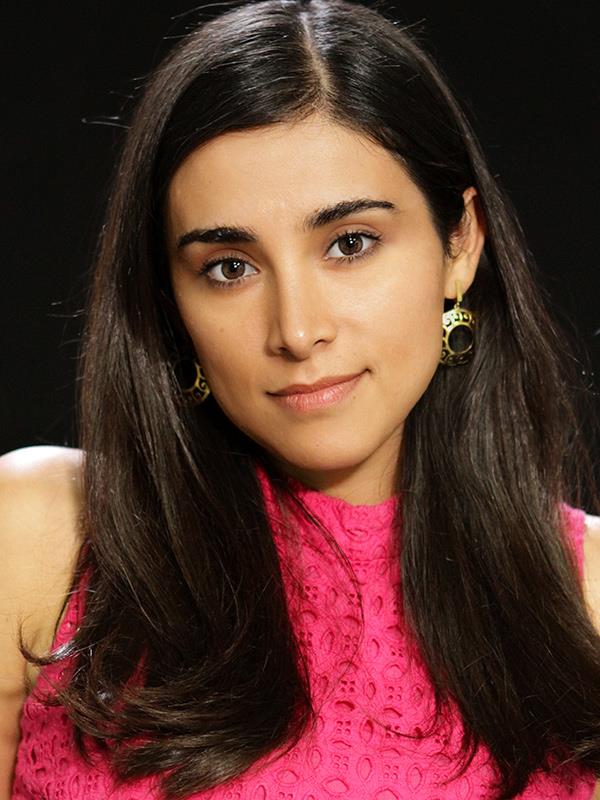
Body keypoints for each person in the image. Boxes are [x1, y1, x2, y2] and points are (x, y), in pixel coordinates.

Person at [1, 0, 599, 798]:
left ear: (460, 245)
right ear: (170, 300)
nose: (296, 329)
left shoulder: (586, 604)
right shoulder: (42, 539)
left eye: (350, 244)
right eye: (229, 267)